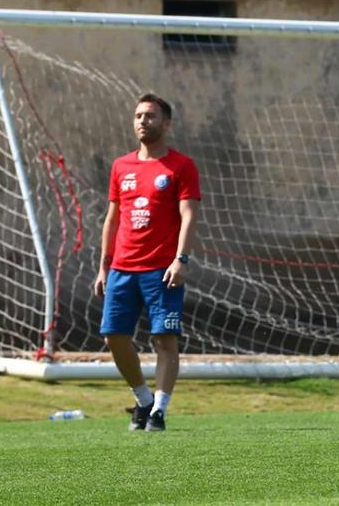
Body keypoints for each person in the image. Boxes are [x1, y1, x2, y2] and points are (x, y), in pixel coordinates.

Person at [92, 93, 201, 431]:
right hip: (123, 268)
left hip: (161, 269)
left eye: (151, 116)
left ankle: (160, 411)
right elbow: (112, 219)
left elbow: (188, 214)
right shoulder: (121, 166)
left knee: (164, 340)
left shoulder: (181, 166)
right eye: (139, 115)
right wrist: (103, 266)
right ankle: (143, 399)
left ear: (166, 124)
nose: (143, 121)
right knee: (113, 336)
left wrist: (180, 259)